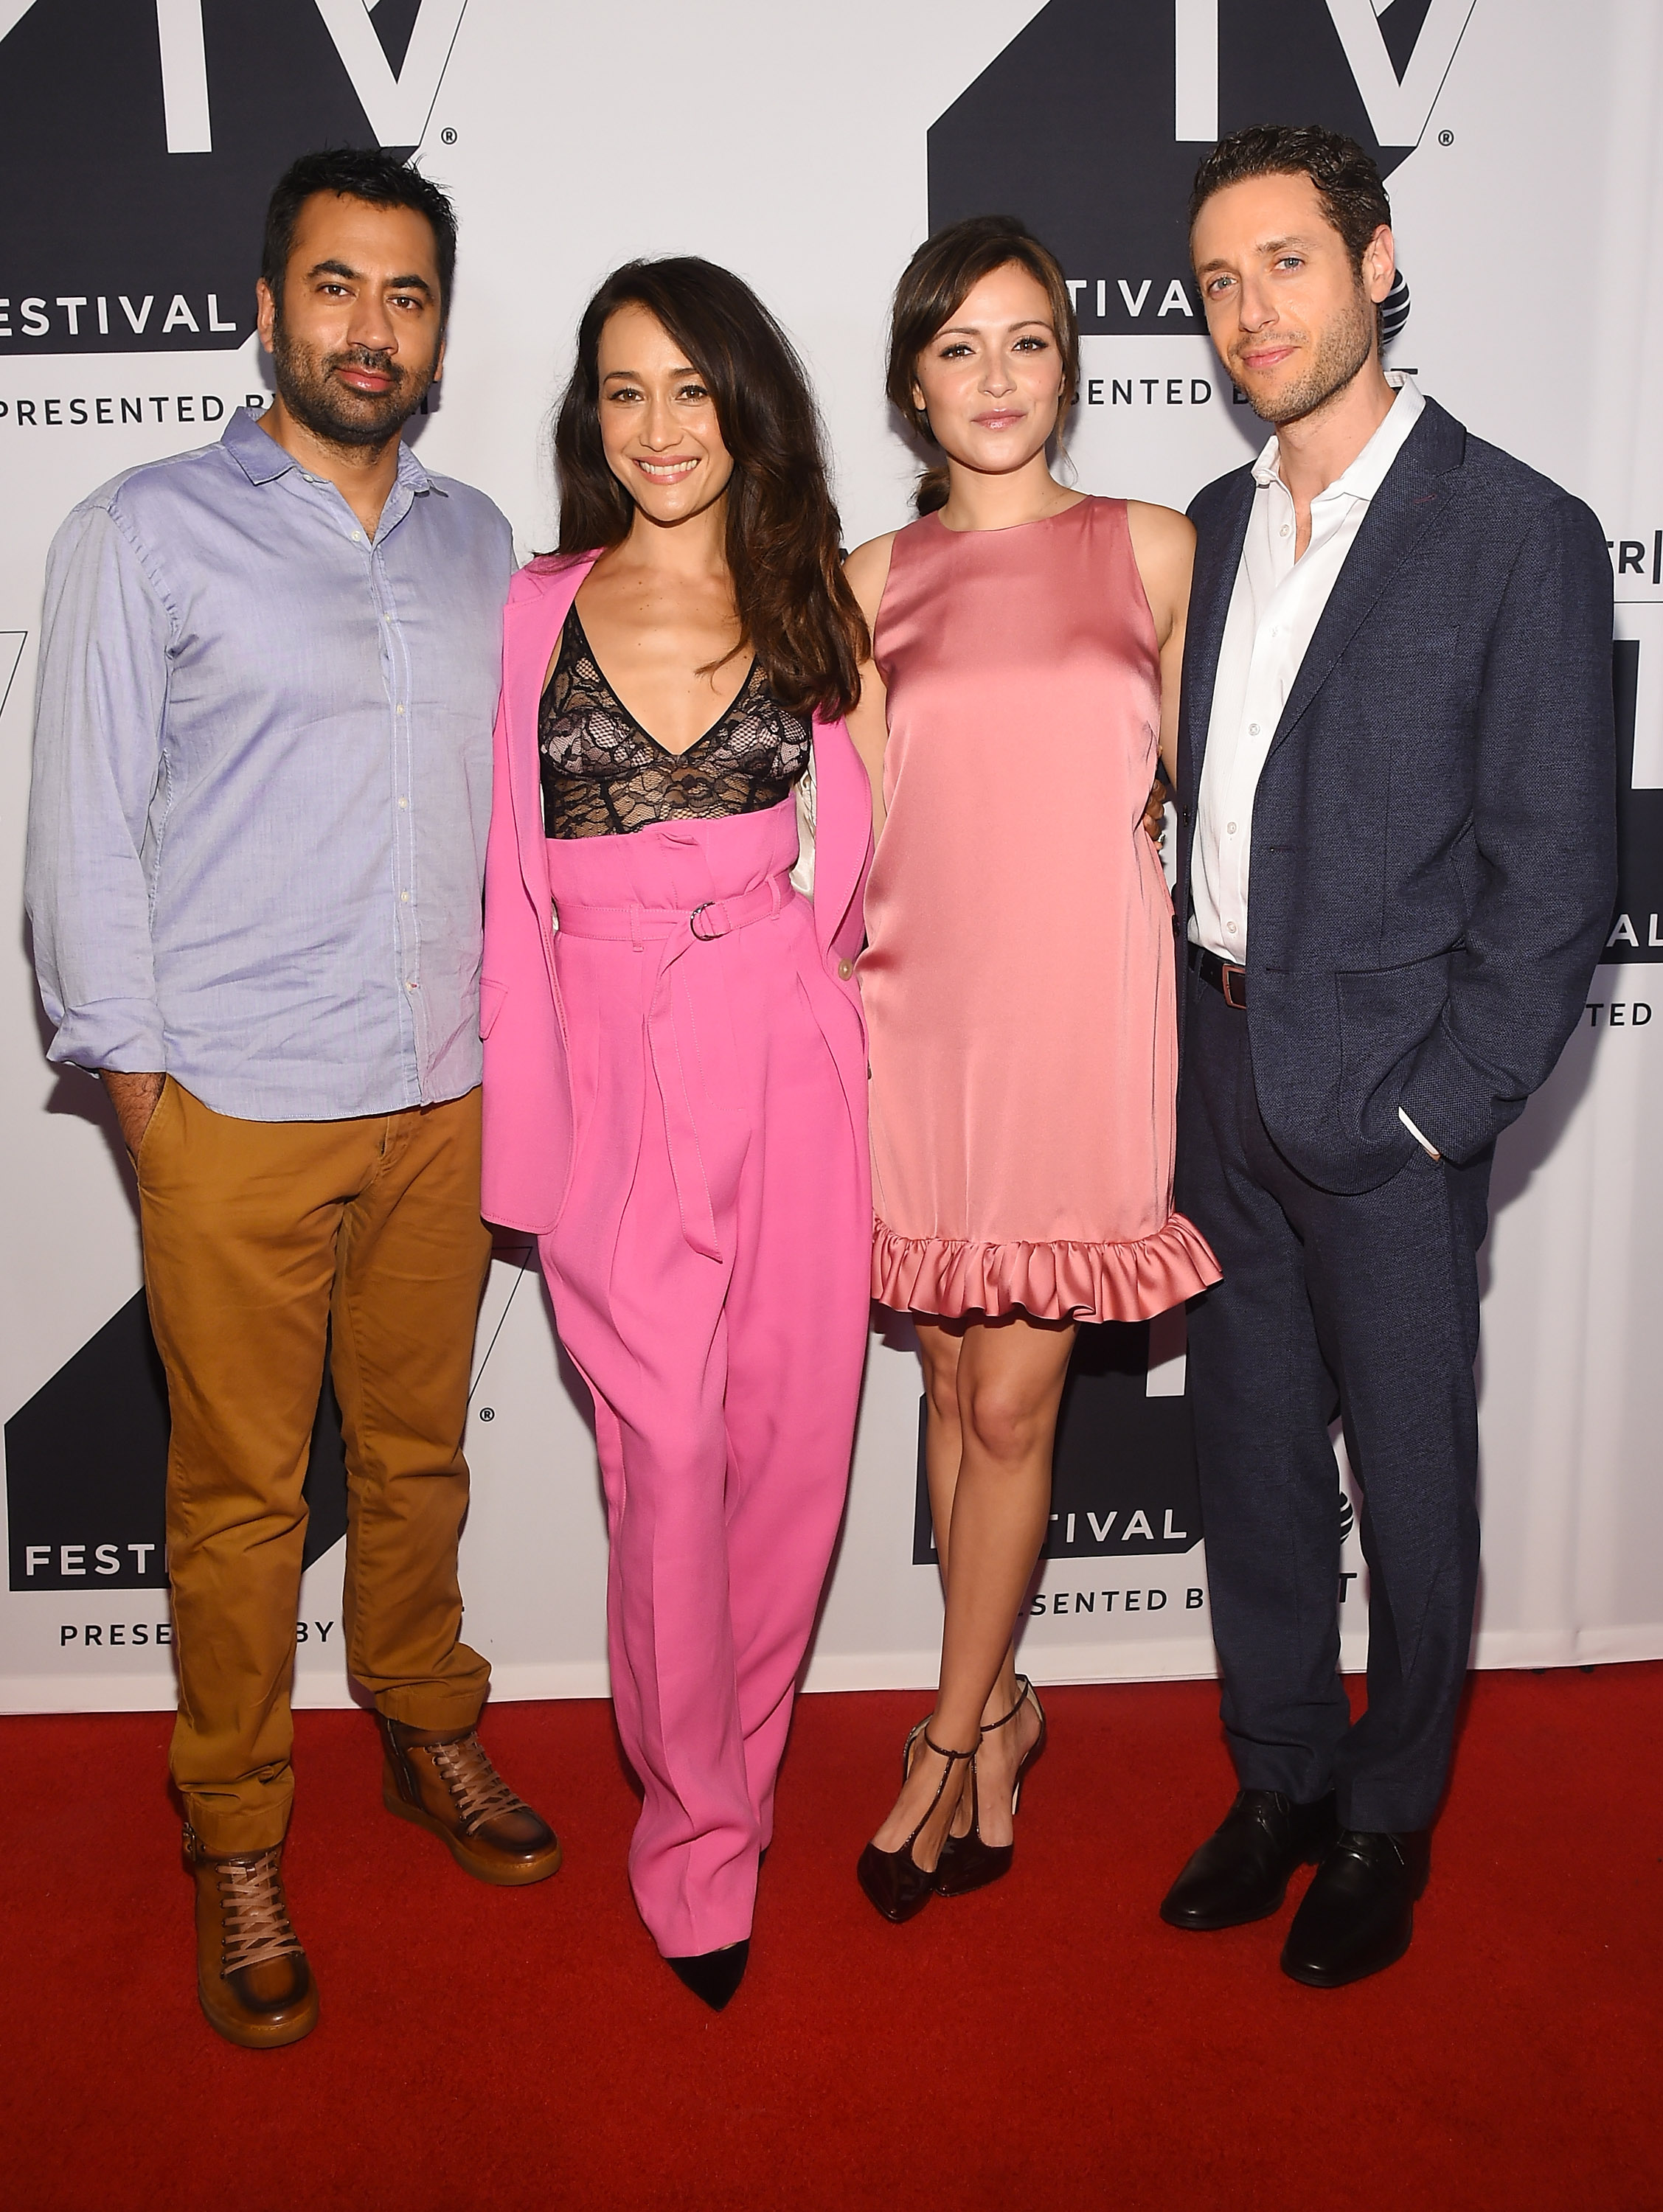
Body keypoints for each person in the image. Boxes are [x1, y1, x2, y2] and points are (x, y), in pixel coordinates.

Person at [24, 148, 560, 2051]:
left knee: (419, 1462)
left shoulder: (483, 540)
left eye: (406, 296)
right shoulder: (144, 529)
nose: (371, 328)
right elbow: (79, 826)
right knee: (243, 1501)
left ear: (436, 326)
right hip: (234, 1105)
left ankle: (429, 1733)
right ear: (269, 306)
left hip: (445, 1095)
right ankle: (235, 1830)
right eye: (336, 288)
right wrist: (141, 1083)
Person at [1162, 125, 1617, 1986]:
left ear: (1378, 262)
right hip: (1218, 1072)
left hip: (1390, 1106)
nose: (1250, 310)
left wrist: (1443, 1111)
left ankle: (1385, 1814)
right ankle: (1277, 1777)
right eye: (1217, 281)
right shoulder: (1203, 521)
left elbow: (1557, 881)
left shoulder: (1518, 533)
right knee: (1253, 1460)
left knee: (1412, 1482)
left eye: (1285, 262)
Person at [479, 259, 873, 2011]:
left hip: (787, 1044)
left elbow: (855, 866)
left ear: (747, 408)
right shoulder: (529, 608)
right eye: (625, 392)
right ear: (591, 416)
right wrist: (528, 1130)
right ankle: (696, 1828)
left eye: (692, 391)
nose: (658, 429)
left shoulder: (818, 607)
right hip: (609, 1061)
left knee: (790, 1456)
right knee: (672, 1465)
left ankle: (743, 1783)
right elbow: (504, 893)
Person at [841, 216, 1221, 1922]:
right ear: (914, 382)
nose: (997, 380)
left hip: (1079, 1029)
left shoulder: (1150, 550)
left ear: (1071, 365)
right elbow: (854, 834)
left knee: (1012, 1398)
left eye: (1029, 342)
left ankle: (938, 1735)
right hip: (913, 1026)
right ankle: (1001, 1709)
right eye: (960, 348)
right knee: (941, 1388)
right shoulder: (864, 579)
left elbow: (1208, 797)